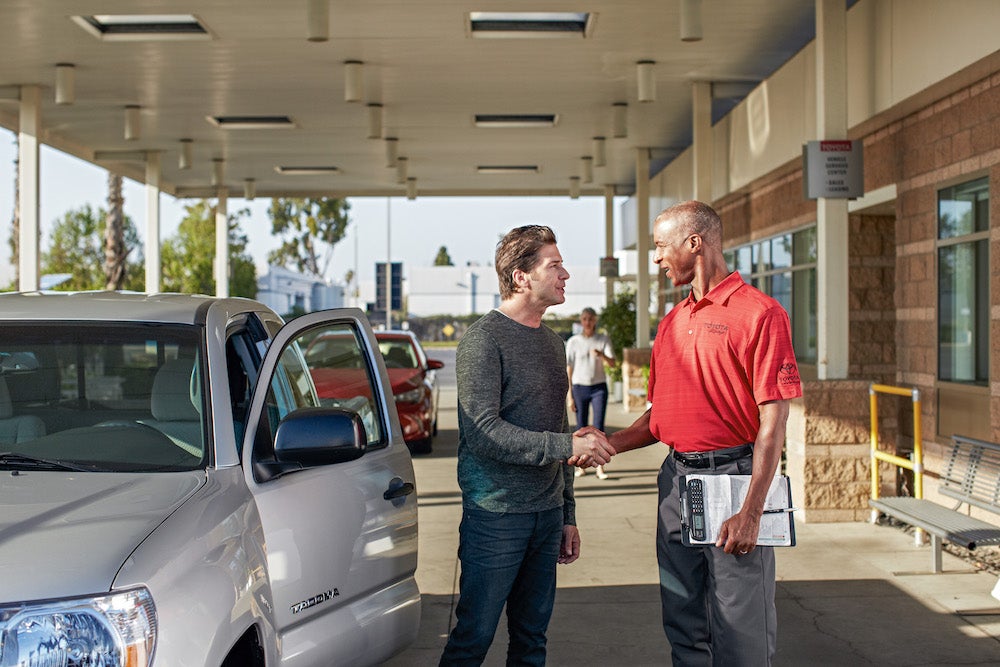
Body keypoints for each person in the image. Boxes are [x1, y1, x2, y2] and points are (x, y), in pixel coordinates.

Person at [579, 201, 802, 665]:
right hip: (676, 481)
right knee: (682, 617)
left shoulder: (761, 314)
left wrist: (751, 510)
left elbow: (773, 423)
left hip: (735, 479)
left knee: (740, 627)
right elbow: (661, 417)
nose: (656, 258)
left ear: (694, 243)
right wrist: (607, 444)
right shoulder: (672, 322)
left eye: (661, 246)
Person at [439, 225, 615, 667]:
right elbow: (483, 431)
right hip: (496, 516)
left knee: (532, 641)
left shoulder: (554, 344)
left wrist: (567, 514)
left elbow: (562, 426)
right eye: (554, 265)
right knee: (473, 638)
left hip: (546, 514)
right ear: (521, 276)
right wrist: (564, 445)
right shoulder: (483, 341)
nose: (566, 275)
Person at [566, 307, 616, 480]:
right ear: (581, 321)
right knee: (581, 428)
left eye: (590, 319)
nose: (587, 322)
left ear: (595, 320)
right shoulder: (573, 342)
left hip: (598, 388)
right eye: (585, 318)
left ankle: (599, 467)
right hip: (579, 388)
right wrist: (569, 395)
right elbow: (569, 369)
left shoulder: (603, 340)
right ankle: (582, 466)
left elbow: (613, 364)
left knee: (598, 428)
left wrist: (602, 355)